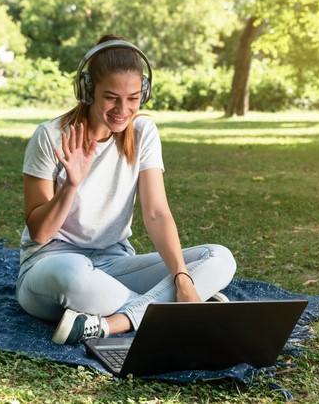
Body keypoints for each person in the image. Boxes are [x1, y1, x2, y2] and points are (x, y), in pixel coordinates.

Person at [15, 35, 237, 345]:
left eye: (133, 98)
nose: (123, 109)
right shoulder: (49, 136)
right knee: (73, 274)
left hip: (114, 264)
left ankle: (113, 324)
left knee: (219, 258)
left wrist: (183, 277)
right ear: (87, 90)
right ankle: (182, 310)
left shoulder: (143, 132)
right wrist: (71, 186)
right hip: (51, 266)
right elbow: (39, 233)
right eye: (111, 97)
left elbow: (157, 213)